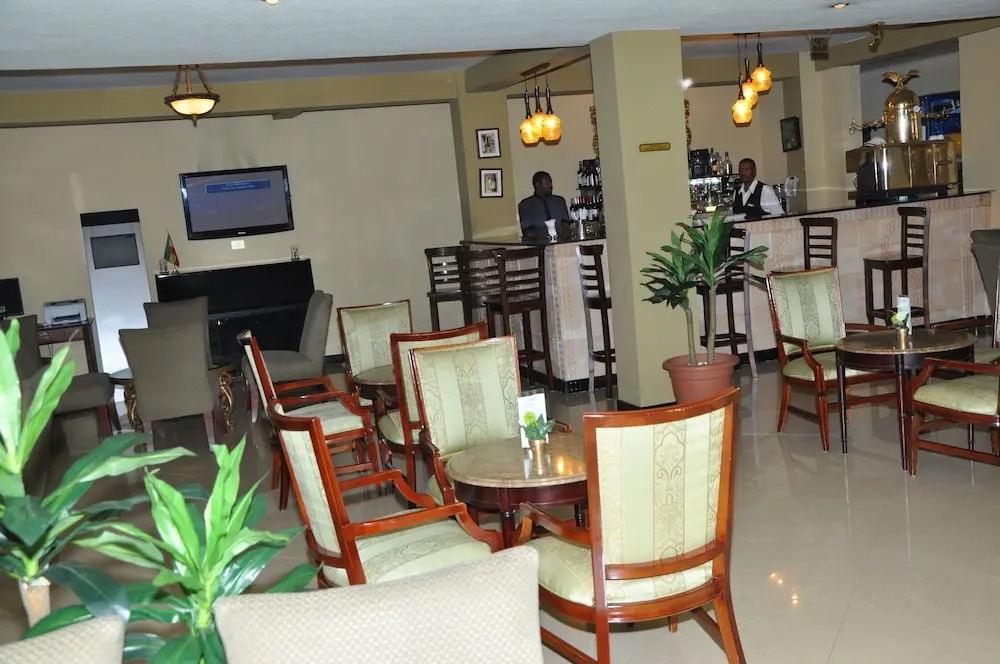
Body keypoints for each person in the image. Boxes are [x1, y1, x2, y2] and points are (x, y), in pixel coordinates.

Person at [518, 171, 570, 239]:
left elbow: (566, 226)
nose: (550, 185)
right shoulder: (526, 205)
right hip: (538, 243)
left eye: (551, 182)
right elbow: (528, 231)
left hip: (562, 242)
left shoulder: (559, 201)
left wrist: (563, 241)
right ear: (537, 185)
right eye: (547, 183)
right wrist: (541, 244)